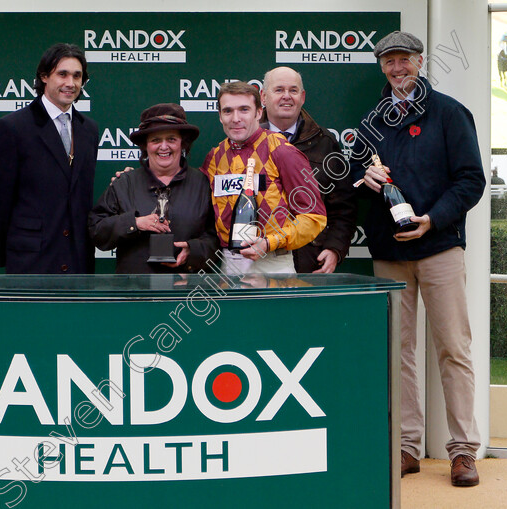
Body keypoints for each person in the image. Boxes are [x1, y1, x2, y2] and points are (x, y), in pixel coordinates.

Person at [349, 31, 485, 487]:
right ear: (381, 67)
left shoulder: (448, 111)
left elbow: (471, 180)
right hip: (389, 252)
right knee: (398, 353)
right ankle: (406, 446)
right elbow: (346, 175)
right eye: (389, 61)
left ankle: (463, 450)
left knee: (453, 348)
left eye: (405, 59)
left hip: (440, 245)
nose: (397, 68)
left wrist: (434, 219)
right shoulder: (370, 121)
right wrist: (363, 174)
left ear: (421, 61)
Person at [0, 43, 99, 274]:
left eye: (77, 76)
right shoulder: (12, 128)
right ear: (44, 76)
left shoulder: (89, 130)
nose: (70, 83)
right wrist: (14, 250)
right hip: (30, 261)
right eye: (62, 74)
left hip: (79, 261)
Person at [200, 80, 326, 274]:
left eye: (244, 110)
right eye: (228, 111)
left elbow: (314, 217)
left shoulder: (282, 151)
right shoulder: (215, 156)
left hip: (272, 262)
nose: (235, 118)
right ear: (220, 116)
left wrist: (269, 243)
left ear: (259, 112)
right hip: (228, 263)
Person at [89, 103, 218, 273]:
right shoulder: (124, 183)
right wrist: (135, 223)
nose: (163, 147)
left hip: (187, 292)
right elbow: (96, 230)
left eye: (171, 139)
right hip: (135, 292)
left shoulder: (203, 184)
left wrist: (192, 251)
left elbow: (218, 238)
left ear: (183, 144)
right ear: (145, 145)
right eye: (156, 140)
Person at [260, 66, 356, 273]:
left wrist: (334, 248)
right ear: (263, 97)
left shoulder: (324, 143)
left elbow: (344, 207)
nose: (287, 97)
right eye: (278, 90)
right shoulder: (245, 144)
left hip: (311, 263)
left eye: (293, 90)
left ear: (302, 97)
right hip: (259, 262)